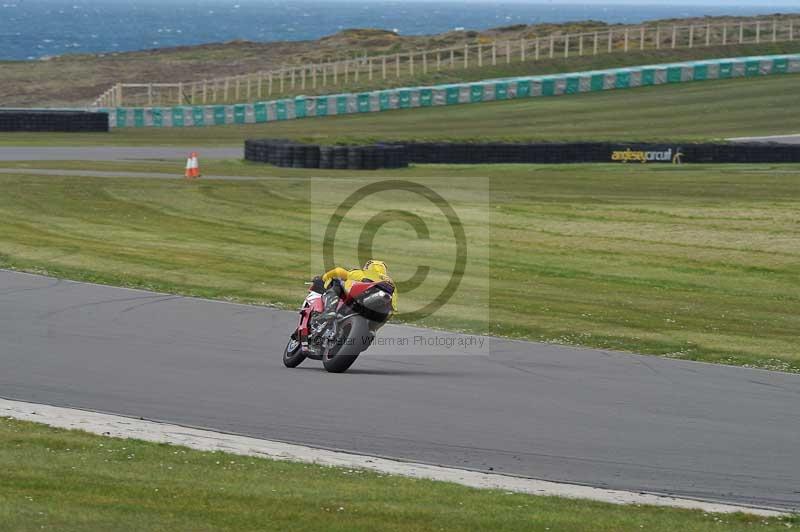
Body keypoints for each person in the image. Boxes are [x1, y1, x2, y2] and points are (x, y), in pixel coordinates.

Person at [310, 259, 397, 313]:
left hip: (359, 299)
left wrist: (324, 278)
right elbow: (394, 306)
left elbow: (339, 271)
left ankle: (330, 311)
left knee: (336, 283)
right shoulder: (390, 282)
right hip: (384, 310)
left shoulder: (362, 273)